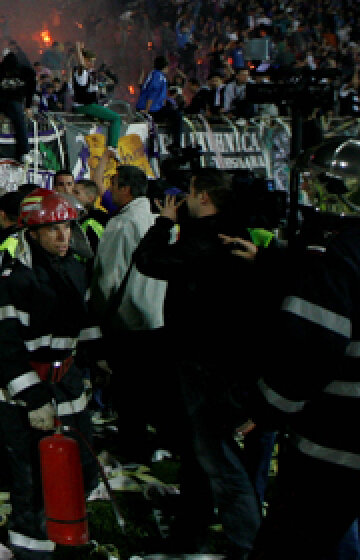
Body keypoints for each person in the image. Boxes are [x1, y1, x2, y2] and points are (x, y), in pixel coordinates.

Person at [132, 168, 261, 557]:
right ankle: (192, 532)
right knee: (199, 457)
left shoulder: (208, 240)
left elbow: (149, 261)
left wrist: (163, 224)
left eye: (188, 194)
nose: (182, 200)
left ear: (204, 197)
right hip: (216, 359)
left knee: (217, 460)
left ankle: (246, 543)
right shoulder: (233, 232)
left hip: (206, 364)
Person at [243, 137, 360, 559]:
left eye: (315, 182)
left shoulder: (336, 257)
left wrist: (266, 409)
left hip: (336, 437)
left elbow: (308, 348)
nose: (307, 191)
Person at [0, 188, 101, 560]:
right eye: (53, 230)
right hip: (25, 391)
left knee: (77, 465)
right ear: (32, 233)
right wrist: (33, 398)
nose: (63, 236)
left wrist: (98, 359)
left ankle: (68, 534)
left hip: (66, 383)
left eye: (66, 227)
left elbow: (86, 324)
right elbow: (4, 346)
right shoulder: (13, 278)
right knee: (31, 474)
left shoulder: (75, 269)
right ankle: (31, 547)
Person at [87, 165, 171, 461]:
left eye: (112, 185)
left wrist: (97, 314)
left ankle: (133, 448)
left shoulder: (121, 225)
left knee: (129, 392)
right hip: (157, 317)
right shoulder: (157, 219)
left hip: (128, 320)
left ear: (126, 189)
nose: (108, 191)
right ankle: (160, 443)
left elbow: (106, 278)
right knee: (153, 388)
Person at [72, 43, 122, 151]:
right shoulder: (81, 72)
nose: (92, 64)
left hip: (90, 104)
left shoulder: (90, 74)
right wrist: (79, 51)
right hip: (84, 106)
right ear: (85, 60)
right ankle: (112, 147)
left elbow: (94, 86)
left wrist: (104, 84)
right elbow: (81, 65)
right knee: (116, 118)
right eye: (90, 61)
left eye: (93, 61)